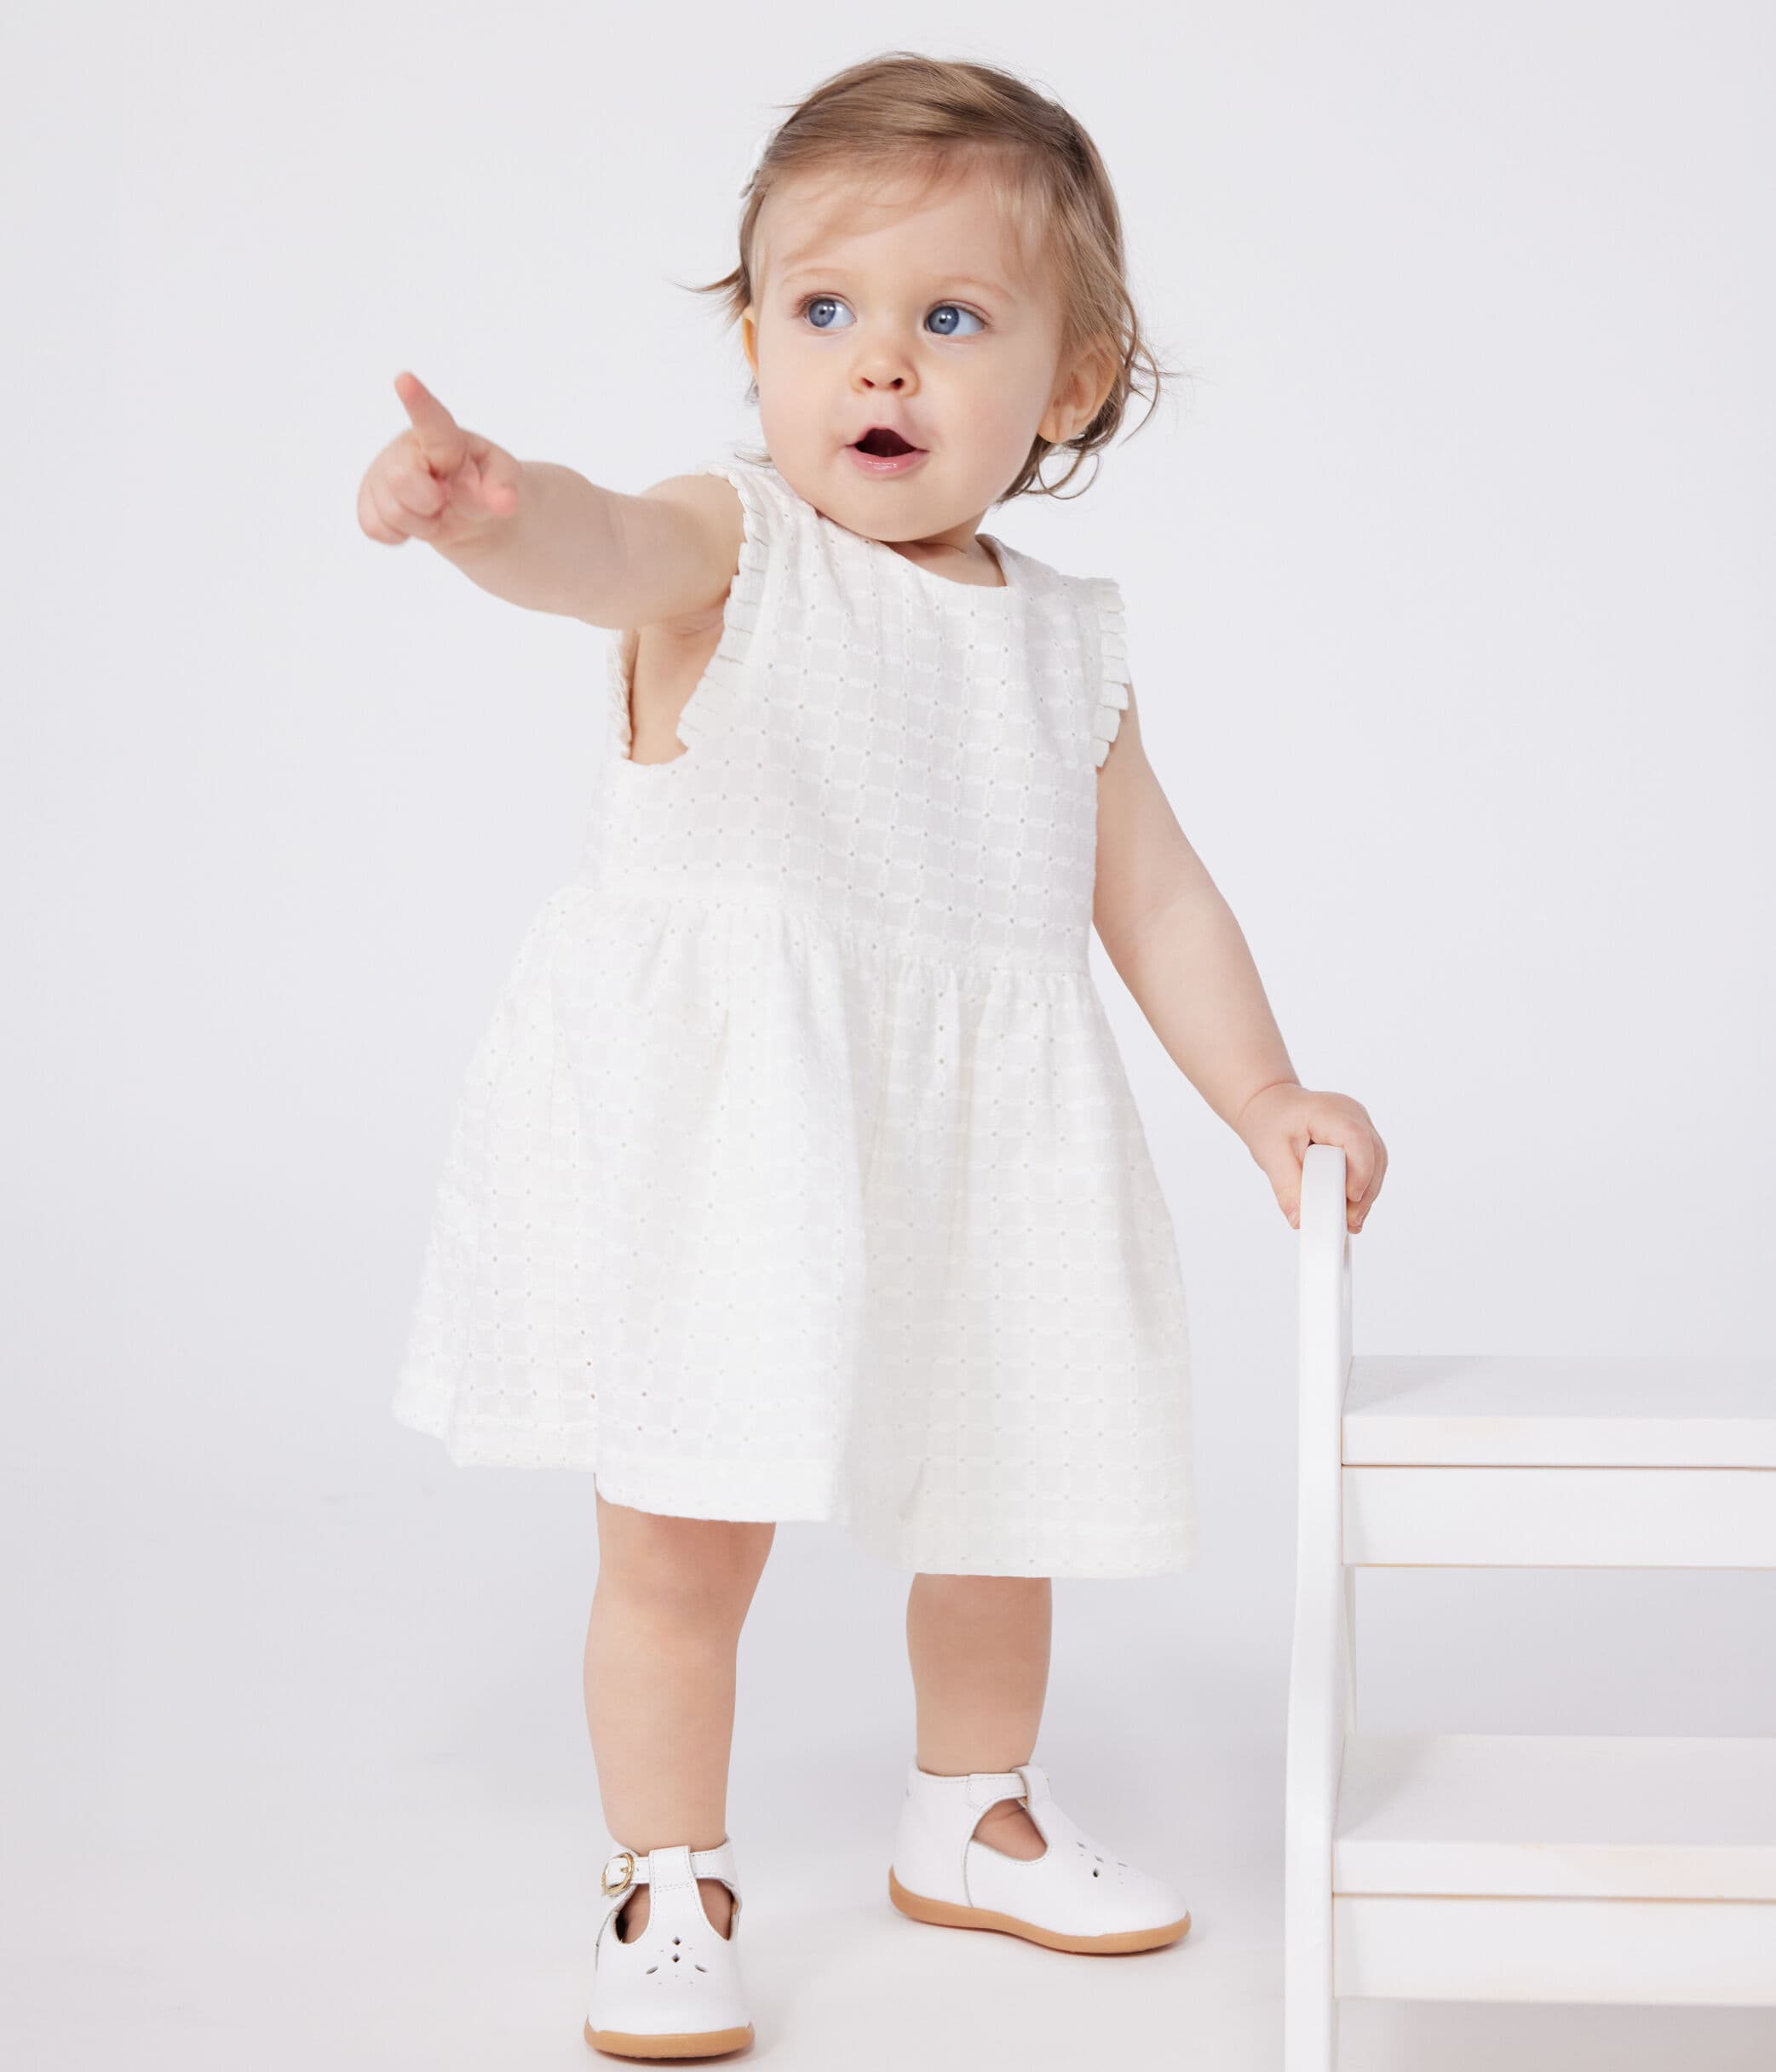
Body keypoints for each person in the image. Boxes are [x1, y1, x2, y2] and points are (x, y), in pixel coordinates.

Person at [359, 50, 1387, 2061]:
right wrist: (492, 513)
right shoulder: (728, 544)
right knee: (682, 1528)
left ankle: (968, 1808)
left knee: (1004, 1494)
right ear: (752, 344)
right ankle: (665, 1870)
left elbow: (1157, 899)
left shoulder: (1063, 641)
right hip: (745, 1135)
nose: (880, 362)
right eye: (822, 309)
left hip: (982, 1137)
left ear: (1069, 384)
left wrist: (1262, 1092)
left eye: (952, 318)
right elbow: (595, 548)